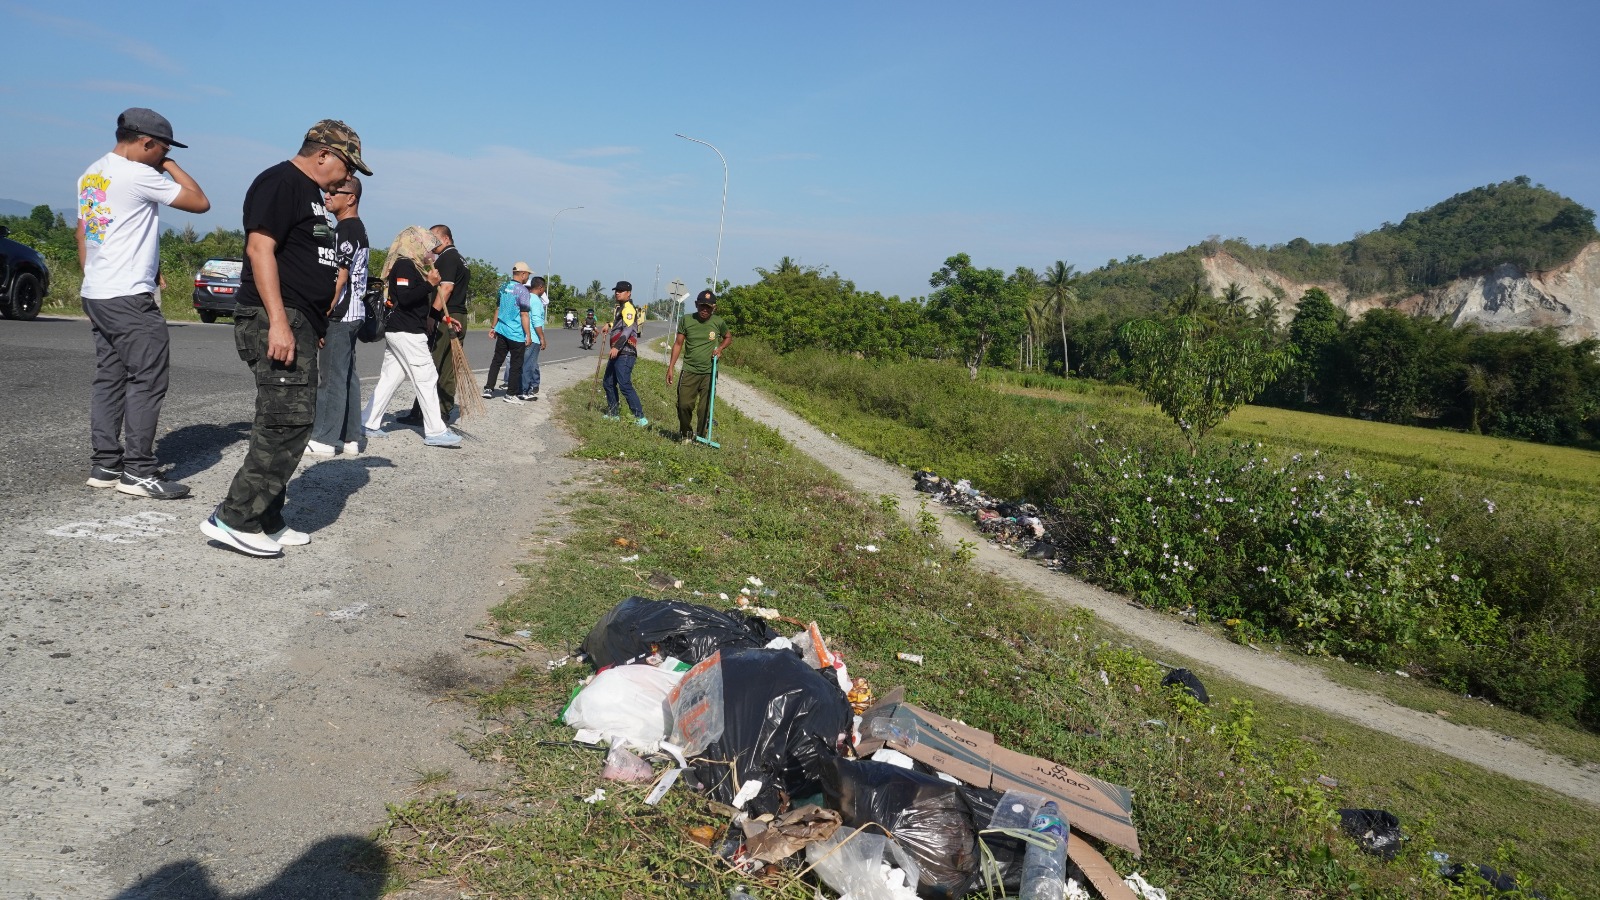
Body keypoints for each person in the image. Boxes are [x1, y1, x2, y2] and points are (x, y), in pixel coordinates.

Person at [201, 119, 371, 558]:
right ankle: (234, 518)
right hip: (275, 317)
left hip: (300, 321)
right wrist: (278, 321)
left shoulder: (311, 195)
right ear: (323, 154)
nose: (346, 176)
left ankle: (267, 518)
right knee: (283, 420)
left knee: (294, 418)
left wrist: (310, 324)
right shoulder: (281, 182)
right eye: (347, 164)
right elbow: (260, 250)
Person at [77, 108, 210, 499]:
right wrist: (171, 166)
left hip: (98, 290)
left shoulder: (92, 173)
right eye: (164, 147)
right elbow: (200, 202)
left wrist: (93, 277)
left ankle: (105, 464)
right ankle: (138, 471)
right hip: (128, 295)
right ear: (146, 142)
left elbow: (84, 231)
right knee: (148, 379)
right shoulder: (139, 173)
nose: (165, 153)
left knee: (110, 376)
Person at [360, 227, 462, 448]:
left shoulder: (413, 266)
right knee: (427, 377)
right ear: (415, 245)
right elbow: (405, 299)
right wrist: (429, 284)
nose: (431, 254)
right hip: (407, 332)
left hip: (403, 329)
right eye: (428, 247)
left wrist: (440, 317)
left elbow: (413, 303)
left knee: (391, 378)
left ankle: (367, 421)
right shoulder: (405, 265)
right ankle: (435, 431)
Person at [306, 175, 368, 456]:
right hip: (355, 313)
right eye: (326, 191)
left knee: (330, 376)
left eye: (334, 191)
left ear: (351, 198)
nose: (327, 196)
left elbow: (340, 277)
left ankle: (324, 439)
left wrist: (324, 313)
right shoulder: (359, 229)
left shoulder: (346, 229)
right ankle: (351, 437)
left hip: (341, 315)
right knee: (347, 376)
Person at [400, 224, 469, 426]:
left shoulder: (448, 258)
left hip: (447, 316)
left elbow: (445, 289)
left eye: (434, 239)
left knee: (431, 364)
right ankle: (443, 411)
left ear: (446, 239)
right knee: (449, 365)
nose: (431, 243)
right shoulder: (461, 259)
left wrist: (432, 314)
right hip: (459, 315)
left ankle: (421, 412)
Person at [667, 289, 733, 443]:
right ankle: (686, 434)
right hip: (689, 370)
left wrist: (720, 348)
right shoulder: (687, 320)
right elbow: (678, 344)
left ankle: (702, 437)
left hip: (709, 372)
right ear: (696, 305)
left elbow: (728, 337)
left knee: (704, 409)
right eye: (702, 306)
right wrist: (670, 367)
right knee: (683, 405)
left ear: (714, 308)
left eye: (708, 307)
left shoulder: (718, 322)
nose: (705, 310)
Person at [484, 263, 534, 402]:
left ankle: (488, 388)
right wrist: (528, 335)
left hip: (502, 330)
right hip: (516, 333)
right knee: (516, 364)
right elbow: (524, 314)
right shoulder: (523, 291)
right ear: (523, 273)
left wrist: (493, 327)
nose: (528, 277)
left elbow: (498, 309)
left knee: (497, 361)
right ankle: (510, 394)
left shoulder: (503, 287)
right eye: (528, 274)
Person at [601, 280, 647, 425]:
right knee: (608, 382)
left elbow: (627, 331)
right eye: (616, 290)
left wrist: (617, 347)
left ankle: (640, 417)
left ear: (629, 293)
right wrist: (609, 325)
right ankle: (614, 413)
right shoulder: (621, 308)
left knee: (624, 384)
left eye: (621, 291)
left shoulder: (629, 308)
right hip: (618, 352)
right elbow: (619, 325)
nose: (617, 293)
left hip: (625, 352)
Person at [518, 275, 548, 399]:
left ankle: (520, 388)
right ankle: (525, 391)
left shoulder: (526, 297)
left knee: (522, 363)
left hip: (523, 335)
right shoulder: (536, 301)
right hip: (533, 337)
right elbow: (536, 321)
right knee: (529, 365)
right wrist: (542, 338)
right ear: (540, 288)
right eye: (544, 288)